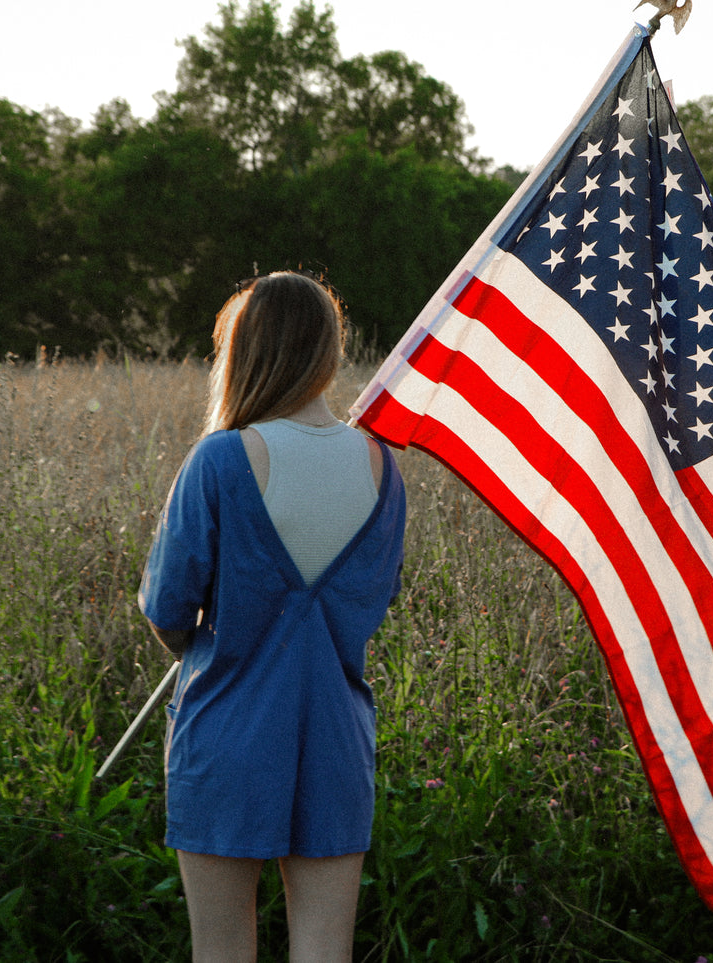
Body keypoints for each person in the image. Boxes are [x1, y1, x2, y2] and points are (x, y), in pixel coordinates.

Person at [138, 271, 407, 963]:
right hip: (337, 737)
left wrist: (204, 639)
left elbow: (168, 607)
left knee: (222, 949)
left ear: (245, 349)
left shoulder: (221, 458)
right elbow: (375, 598)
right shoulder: (382, 465)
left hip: (226, 732)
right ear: (327, 348)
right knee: (324, 949)